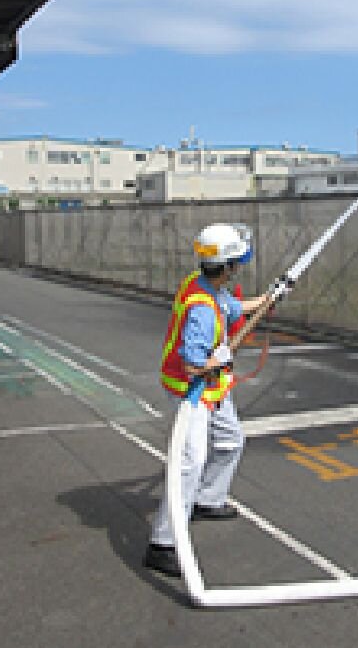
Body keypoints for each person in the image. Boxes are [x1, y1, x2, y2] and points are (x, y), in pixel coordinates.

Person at [143, 222, 272, 578]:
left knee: (231, 441)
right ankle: (163, 543)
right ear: (229, 267)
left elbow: (229, 306)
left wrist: (263, 301)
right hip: (191, 391)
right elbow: (192, 361)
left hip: (214, 389)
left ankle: (207, 500)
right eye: (238, 263)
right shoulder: (201, 308)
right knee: (190, 462)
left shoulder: (202, 285)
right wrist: (216, 360)